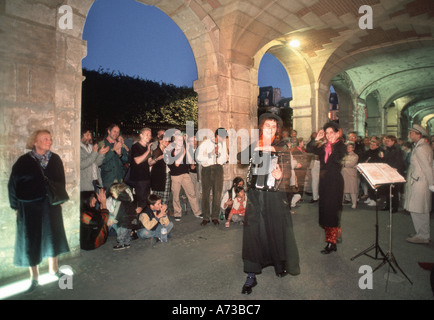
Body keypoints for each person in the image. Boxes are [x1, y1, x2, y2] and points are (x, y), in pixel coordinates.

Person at [238, 113, 300, 295]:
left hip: (274, 197)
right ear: (261, 128)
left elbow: (288, 173)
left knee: (275, 230)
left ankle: (279, 264)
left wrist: (282, 176)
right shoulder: (255, 145)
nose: (270, 130)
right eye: (267, 126)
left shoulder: (280, 148)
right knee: (254, 233)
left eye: (273, 127)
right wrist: (255, 147)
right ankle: (251, 273)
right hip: (256, 196)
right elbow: (241, 159)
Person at [8, 129, 70, 293]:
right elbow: (13, 184)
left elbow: (60, 181)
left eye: (50, 139)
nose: (49, 141)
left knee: (53, 237)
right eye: (45, 139)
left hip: (50, 204)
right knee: (31, 241)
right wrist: (15, 206)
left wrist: (60, 199)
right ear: (35, 142)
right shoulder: (24, 161)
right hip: (29, 207)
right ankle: (34, 277)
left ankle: (54, 269)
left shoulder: (55, 159)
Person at [314, 122, 347, 254]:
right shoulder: (323, 146)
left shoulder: (341, 146)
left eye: (331, 133)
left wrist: (331, 145)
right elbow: (311, 150)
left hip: (334, 182)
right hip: (324, 182)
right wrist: (317, 139)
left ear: (337, 133)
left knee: (332, 211)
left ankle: (331, 242)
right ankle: (333, 235)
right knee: (325, 210)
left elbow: (337, 159)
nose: (329, 135)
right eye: (327, 133)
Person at [404, 124, 433, 244]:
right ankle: (422, 233)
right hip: (419, 181)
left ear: (418, 134)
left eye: (411, 133)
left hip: (419, 182)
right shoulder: (422, 146)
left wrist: (432, 183)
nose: (410, 135)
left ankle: (422, 236)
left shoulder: (421, 148)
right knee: (420, 209)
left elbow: (427, 167)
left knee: (418, 210)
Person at [165, 131, 202, 221]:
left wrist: (187, 150)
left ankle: (197, 212)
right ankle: (177, 214)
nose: (181, 141)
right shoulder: (171, 150)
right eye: (179, 140)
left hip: (185, 174)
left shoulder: (184, 148)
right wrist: (184, 151)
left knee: (191, 193)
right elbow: (177, 163)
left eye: (182, 140)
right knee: (176, 195)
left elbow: (189, 160)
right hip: (176, 175)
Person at [196, 128, 229, 226]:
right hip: (207, 169)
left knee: (217, 194)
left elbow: (225, 158)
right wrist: (210, 154)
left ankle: (215, 216)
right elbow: (198, 158)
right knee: (205, 194)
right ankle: (206, 217)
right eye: (223, 138)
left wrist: (219, 155)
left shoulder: (223, 145)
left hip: (218, 169)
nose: (224, 140)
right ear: (217, 136)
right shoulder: (205, 143)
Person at [107, 182, 138, 250]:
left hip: (123, 222)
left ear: (116, 192)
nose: (112, 195)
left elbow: (116, 211)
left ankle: (120, 244)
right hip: (130, 221)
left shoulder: (119, 201)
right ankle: (127, 243)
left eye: (112, 193)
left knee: (121, 234)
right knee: (127, 233)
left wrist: (113, 219)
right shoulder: (129, 199)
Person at [80, 127, 109, 200]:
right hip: (85, 185)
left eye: (90, 135)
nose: (90, 137)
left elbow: (97, 163)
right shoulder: (78, 148)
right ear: (80, 135)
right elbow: (81, 165)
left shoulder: (91, 147)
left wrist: (101, 154)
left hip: (95, 181)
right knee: (87, 208)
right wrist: (94, 153)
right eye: (87, 135)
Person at [379, 135, 406, 213]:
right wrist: (382, 158)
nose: (386, 142)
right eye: (386, 140)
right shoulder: (387, 150)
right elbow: (385, 160)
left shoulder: (397, 150)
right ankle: (387, 205)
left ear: (393, 141)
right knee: (387, 189)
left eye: (388, 141)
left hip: (394, 172)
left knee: (394, 190)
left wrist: (394, 169)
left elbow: (399, 162)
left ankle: (395, 207)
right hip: (387, 171)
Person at [99, 124, 129, 189]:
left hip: (120, 178)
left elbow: (126, 160)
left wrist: (120, 155)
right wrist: (113, 150)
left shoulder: (120, 144)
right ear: (109, 131)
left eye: (118, 132)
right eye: (114, 131)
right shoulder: (102, 144)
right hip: (108, 179)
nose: (116, 133)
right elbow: (101, 162)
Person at [129, 127, 153, 209]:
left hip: (146, 177)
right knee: (140, 202)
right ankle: (139, 219)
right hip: (139, 179)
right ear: (141, 135)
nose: (149, 136)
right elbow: (137, 161)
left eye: (150, 135)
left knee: (146, 201)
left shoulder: (147, 147)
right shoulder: (135, 146)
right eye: (147, 135)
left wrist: (157, 158)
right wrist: (148, 151)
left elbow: (150, 162)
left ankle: (145, 219)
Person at [359, 138, 383, 206]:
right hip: (368, 171)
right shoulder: (367, 151)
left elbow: (380, 161)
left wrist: (369, 162)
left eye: (374, 145)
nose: (372, 146)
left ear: (377, 146)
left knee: (374, 186)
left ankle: (374, 199)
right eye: (371, 144)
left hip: (375, 171)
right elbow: (363, 158)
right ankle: (370, 197)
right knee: (368, 185)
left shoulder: (379, 152)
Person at [341, 142, 359, 209]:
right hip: (343, 173)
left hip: (351, 174)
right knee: (342, 188)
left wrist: (344, 163)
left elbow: (350, 164)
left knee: (352, 189)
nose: (348, 148)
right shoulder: (344, 155)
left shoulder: (355, 156)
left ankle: (354, 203)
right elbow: (340, 162)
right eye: (347, 147)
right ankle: (341, 202)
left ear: (353, 148)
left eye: (350, 147)